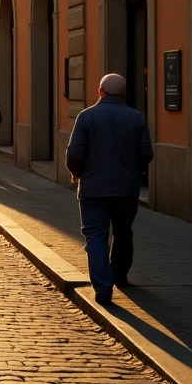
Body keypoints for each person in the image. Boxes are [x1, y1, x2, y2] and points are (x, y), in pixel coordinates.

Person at [66, 73, 153, 305]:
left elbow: (74, 153)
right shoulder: (137, 118)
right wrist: (134, 171)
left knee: (95, 236)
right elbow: (147, 154)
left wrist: (76, 172)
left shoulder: (86, 116)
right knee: (123, 231)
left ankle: (104, 287)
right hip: (126, 188)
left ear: (99, 91)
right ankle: (120, 276)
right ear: (124, 94)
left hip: (93, 188)